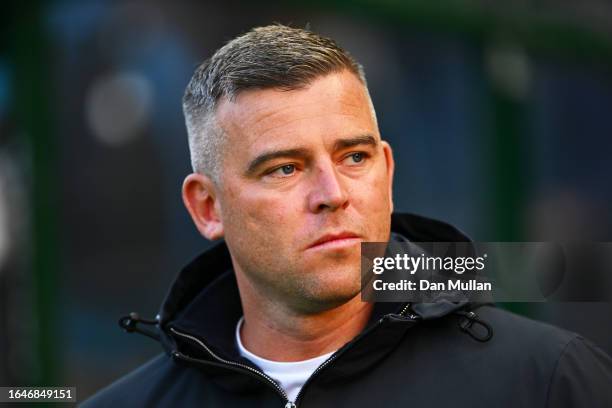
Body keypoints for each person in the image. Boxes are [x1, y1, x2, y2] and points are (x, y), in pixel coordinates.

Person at [82, 24, 612, 407]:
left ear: (386, 169)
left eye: (353, 158)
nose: (331, 193)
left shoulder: (547, 380)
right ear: (207, 207)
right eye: (285, 169)